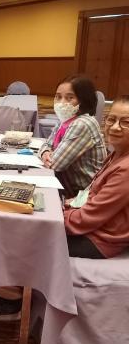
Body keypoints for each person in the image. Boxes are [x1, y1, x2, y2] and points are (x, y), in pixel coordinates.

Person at [64, 95, 129, 259]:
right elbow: (92, 195)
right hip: (92, 227)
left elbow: (89, 218)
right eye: (111, 119)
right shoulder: (116, 154)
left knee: (29, 236)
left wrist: (55, 216)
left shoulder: (126, 169)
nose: (115, 127)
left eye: (126, 122)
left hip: (99, 239)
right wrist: (66, 205)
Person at [39, 75, 106, 198]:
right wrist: (45, 152)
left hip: (82, 195)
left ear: (83, 100)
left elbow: (55, 164)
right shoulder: (66, 119)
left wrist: (47, 153)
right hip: (65, 184)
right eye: (58, 97)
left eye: (70, 98)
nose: (62, 103)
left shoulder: (82, 124)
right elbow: (46, 144)